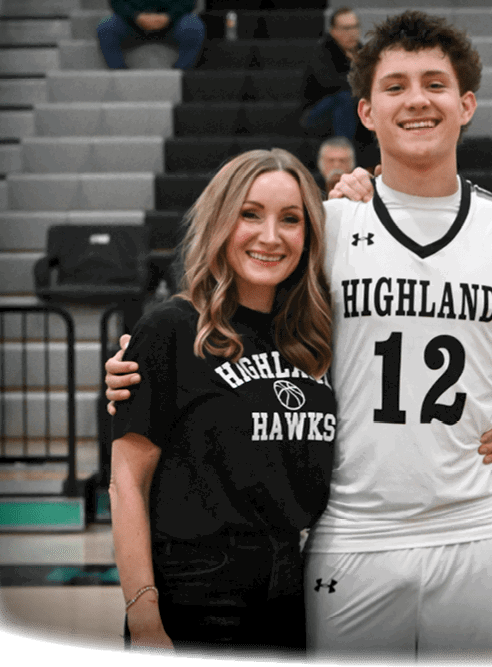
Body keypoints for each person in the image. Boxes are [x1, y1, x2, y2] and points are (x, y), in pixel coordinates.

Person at [106, 10, 492, 665]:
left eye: (435, 84)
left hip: (474, 524)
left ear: (467, 103)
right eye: (395, 86)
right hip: (350, 531)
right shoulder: (328, 225)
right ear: (365, 112)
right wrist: (139, 361)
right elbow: (243, 308)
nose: (416, 100)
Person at [109, 149, 335, 660]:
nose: (271, 236)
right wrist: (143, 617)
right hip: (197, 588)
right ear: (219, 221)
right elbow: (126, 482)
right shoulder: (170, 328)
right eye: (249, 214)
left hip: (295, 588)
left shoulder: (314, 337)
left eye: (291, 219)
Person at [300, 7, 363, 140]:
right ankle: (343, 146)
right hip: (316, 111)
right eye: (346, 28)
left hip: (349, 106)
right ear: (333, 31)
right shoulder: (322, 52)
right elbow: (329, 83)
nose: (352, 32)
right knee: (344, 98)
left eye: (355, 27)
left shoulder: (362, 52)